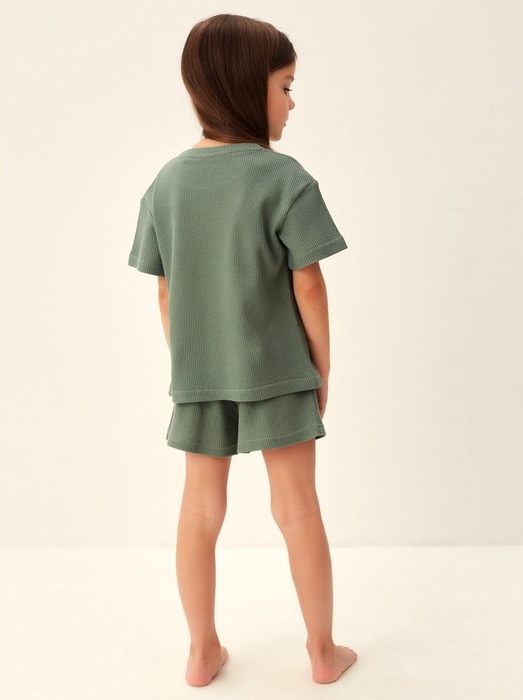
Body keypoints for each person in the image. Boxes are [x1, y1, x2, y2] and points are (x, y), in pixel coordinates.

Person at [128, 13, 357, 687]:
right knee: (298, 507)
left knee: (199, 512)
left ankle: (201, 651)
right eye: (285, 86)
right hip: (279, 371)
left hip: (199, 375)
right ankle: (322, 652)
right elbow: (309, 284)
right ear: (244, 86)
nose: (292, 103)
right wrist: (321, 366)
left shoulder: (166, 184)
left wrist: (190, 364)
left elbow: (165, 289)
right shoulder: (284, 179)